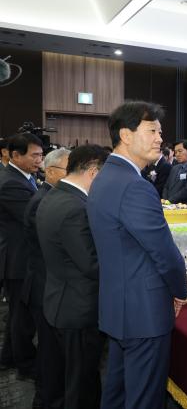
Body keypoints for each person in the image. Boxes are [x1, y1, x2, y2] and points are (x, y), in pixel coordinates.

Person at [87, 101, 187, 409]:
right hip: (143, 312)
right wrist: (181, 292)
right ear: (126, 135)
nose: (160, 138)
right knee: (145, 398)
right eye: (152, 131)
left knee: (117, 393)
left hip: (119, 306)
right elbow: (164, 251)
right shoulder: (135, 186)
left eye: (161, 132)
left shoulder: (104, 177)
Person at [37, 145, 109, 409]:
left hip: (60, 300)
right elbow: (92, 264)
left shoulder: (53, 196)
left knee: (69, 379)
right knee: (82, 386)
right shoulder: (75, 207)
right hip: (78, 309)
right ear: (93, 172)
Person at [22, 147, 70, 408]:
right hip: (46, 287)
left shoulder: (51, 196)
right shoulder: (45, 201)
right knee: (51, 355)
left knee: (52, 354)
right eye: (68, 170)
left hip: (47, 285)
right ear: (51, 172)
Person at [0, 133, 43, 379]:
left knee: (19, 314)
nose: (40, 160)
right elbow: (34, 219)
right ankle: (25, 365)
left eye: (40, 154)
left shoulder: (24, 177)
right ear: (15, 155)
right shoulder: (11, 183)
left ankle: (8, 357)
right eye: (34, 155)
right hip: (18, 260)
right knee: (22, 317)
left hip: (20, 256)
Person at [162, 139, 187, 206]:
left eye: (180, 151)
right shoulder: (174, 168)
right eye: (176, 152)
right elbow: (166, 186)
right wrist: (165, 200)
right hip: (168, 206)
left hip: (183, 208)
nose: (177, 154)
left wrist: (169, 201)